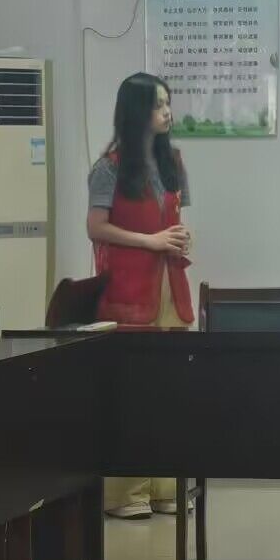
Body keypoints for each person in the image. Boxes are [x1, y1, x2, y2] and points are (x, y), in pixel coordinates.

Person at [87, 72, 193, 519]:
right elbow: (96, 227)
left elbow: (173, 219)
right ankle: (124, 494)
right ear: (136, 112)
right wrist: (151, 241)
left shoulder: (173, 162)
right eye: (157, 105)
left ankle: (167, 487)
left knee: (170, 393)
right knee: (133, 394)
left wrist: (179, 239)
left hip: (170, 288)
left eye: (168, 104)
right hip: (128, 291)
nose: (167, 112)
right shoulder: (109, 167)